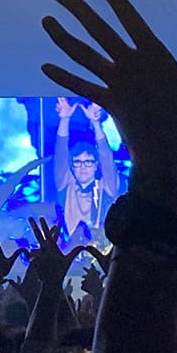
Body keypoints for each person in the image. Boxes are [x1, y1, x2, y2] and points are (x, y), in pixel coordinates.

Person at [46, 95, 119, 243]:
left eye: (88, 162)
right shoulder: (66, 185)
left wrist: (96, 124)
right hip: (69, 252)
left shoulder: (105, 187)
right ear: (72, 166)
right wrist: (64, 120)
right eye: (78, 162)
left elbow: (106, 158)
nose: (83, 167)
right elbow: (61, 154)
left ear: (96, 165)